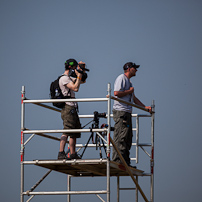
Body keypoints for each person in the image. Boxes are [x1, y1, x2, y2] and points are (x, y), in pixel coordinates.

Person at [112, 62, 151, 167]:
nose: (136, 70)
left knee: (127, 138)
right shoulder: (121, 78)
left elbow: (134, 99)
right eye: (135, 68)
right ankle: (118, 160)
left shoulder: (129, 82)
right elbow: (116, 93)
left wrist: (145, 107)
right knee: (121, 136)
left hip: (126, 112)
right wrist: (129, 91)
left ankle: (125, 162)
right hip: (121, 112)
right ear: (129, 69)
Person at [58, 58, 86, 160]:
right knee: (67, 130)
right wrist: (78, 75)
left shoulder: (69, 77)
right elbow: (75, 88)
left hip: (73, 107)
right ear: (71, 67)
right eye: (75, 67)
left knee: (74, 132)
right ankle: (61, 152)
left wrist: (81, 71)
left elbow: (82, 81)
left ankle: (73, 153)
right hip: (67, 107)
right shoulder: (64, 78)